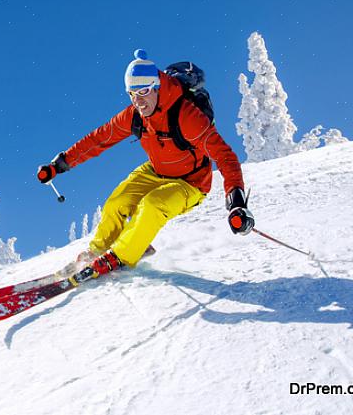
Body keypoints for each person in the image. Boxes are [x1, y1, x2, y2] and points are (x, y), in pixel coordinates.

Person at [37, 49, 254, 277]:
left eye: (143, 92)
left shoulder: (186, 116)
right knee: (117, 202)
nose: (138, 101)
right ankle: (97, 251)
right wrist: (59, 165)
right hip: (156, 171)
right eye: (132, 94)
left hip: (191, 182)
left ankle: (119, 257)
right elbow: (99, 139)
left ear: (157, 87)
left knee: (152, 205)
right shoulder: (135, 115)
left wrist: (236, 201)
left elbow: (225, 156)